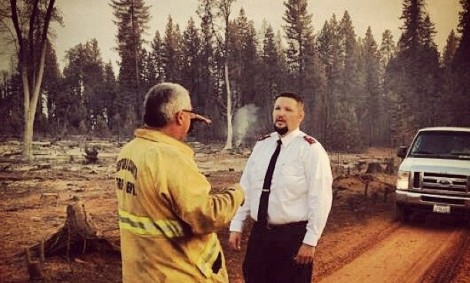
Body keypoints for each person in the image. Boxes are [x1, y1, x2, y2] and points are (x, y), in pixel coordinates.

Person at [115, 82, 245, 282]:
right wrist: (236, 194)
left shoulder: (130, 151)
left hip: (141, 273)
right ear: (180, 117)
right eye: (190, 115)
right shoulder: (167, 157)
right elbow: (206, 215)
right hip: (177, 273)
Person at [228, 92, 333, 283]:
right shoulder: (262, 145)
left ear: (300, 116)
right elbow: (247, 187)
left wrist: (310, 241)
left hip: (291, 238)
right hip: (259, 235)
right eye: (277, 108)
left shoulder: (311, 150)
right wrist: (237, 224)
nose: (280, 113)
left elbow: (320, 199)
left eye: (288, 109)